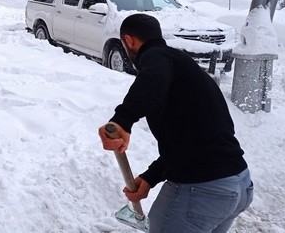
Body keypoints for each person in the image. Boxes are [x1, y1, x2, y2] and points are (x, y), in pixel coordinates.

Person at [98, 13, 252, 233]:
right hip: (237, 185)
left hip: (202, 191)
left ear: (128, 41)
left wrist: (122, 120)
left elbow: (153, 79)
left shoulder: (157, 59)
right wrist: (151, 178)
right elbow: (193, 140)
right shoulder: (182, 67)